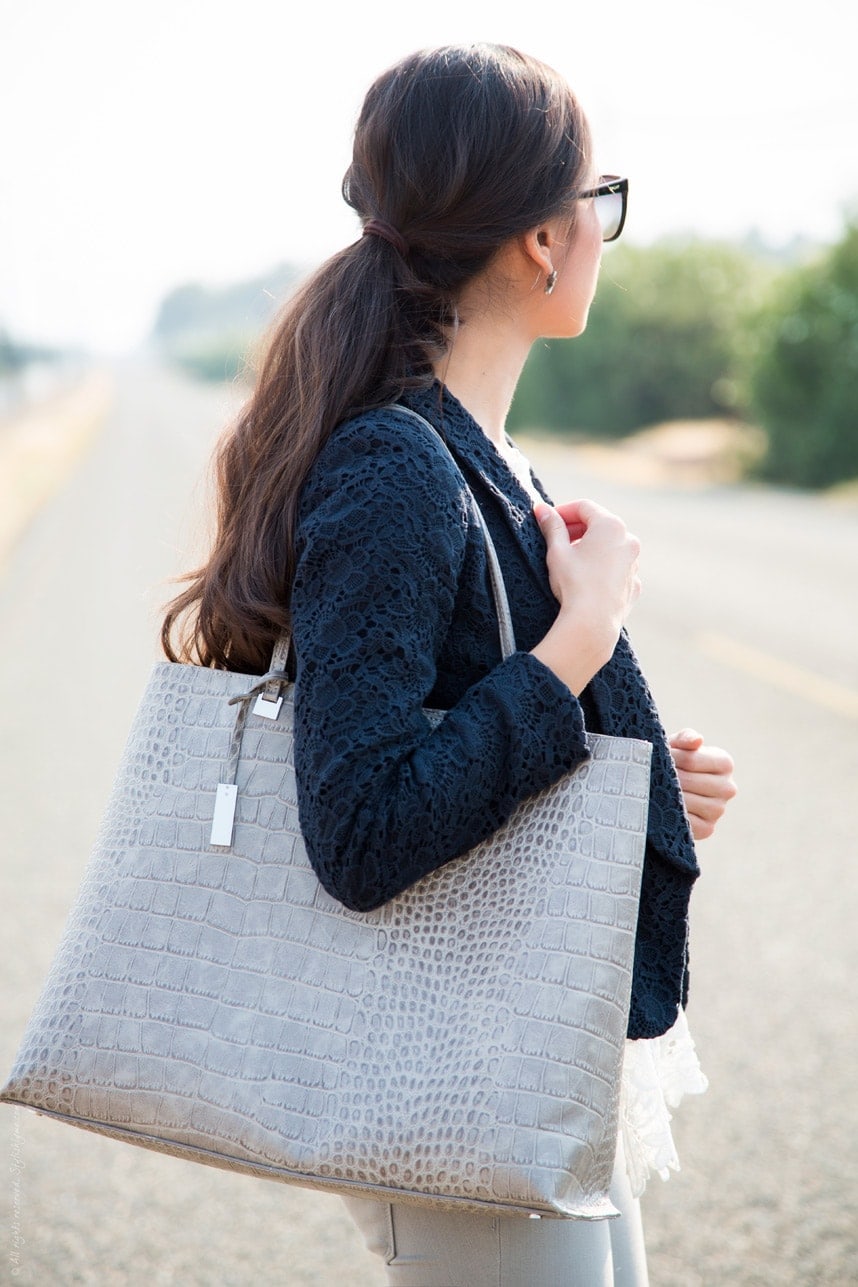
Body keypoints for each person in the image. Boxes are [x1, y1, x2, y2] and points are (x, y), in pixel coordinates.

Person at [162, 42, 736, 1287]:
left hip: (524, 1059)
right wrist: (575, 649)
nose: (602, 232)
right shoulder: (396, 467)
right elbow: (363, 826)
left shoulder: (478, 454)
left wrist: (631, 778)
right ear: (540, 238)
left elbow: (467, 727)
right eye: (603, 202)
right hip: (456, 1071)